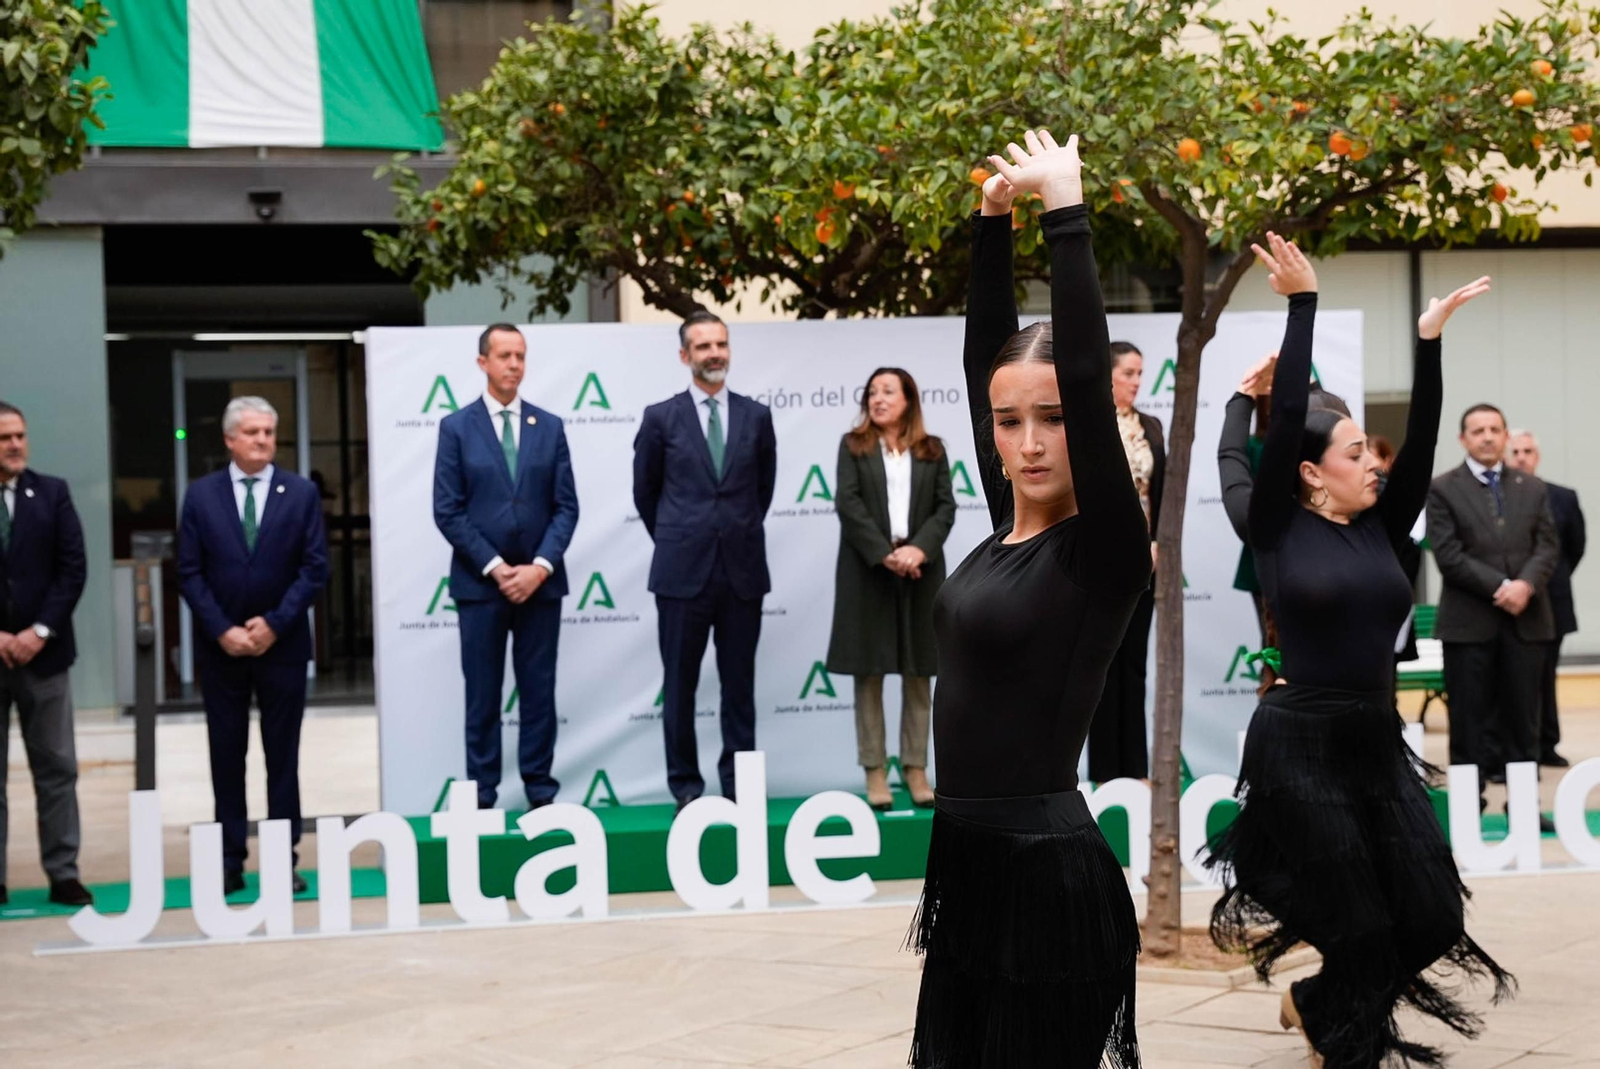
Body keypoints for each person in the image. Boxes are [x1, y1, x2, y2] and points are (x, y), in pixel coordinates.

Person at [1207, 234, 1507, 1068]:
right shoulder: (1274, 528)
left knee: (1430, 916)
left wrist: (1429, 339)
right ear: (1309, 473)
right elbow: (1240, 458)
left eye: (1370, 451)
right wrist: (1298, 309)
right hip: (1299, 739)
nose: (1372, 462)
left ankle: (1316, 999)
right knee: (1363, 924)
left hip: (1374, 741)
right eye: (1352, 453)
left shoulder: (1380, 520)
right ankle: (1345, 1046)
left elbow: (1421, 438)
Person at [907, 130, 1151, 1068]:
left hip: (1047, 878)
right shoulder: (999, 528)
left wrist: (1067, 212)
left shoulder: (1103, 551)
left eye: (1050, 421)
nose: (1029, 441)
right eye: (1010, 422)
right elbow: (985, 363)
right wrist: (991, 222)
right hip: (966, 865)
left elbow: (1086, 384)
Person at [178, 396, 328, 895]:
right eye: (252, 432)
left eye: (268, 432)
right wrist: (224, 629)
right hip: (222, 651)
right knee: (227, 754)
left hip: (281, 648)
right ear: (229, 440)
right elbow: (189, 571)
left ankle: (284, 861)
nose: (263, 440)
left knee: (282, 756)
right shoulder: (200, 497)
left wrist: (274, 624)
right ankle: (229, 859)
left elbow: (314, 569)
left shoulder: (301, 493)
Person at [634, 311, 777, 811]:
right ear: (684, 356)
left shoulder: (756, 417)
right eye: (703, 346)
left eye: (721, 343)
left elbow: (763, 490)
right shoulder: (659, 418)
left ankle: (739, 788)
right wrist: (680, 537)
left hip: (741, 573)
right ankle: (686, 789)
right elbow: (645, 493)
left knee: (739, 687)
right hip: (680, 574)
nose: (714, 353)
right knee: (680, 688)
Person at [433, 323, 579, 811]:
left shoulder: (550, 426)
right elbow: (447, 510)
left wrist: (539, 567)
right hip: (481, 587)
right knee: (483, 697)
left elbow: (566, 507)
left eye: (520, 355)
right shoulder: (456, 428)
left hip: (541, 585)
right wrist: (496, 568)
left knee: (539, 693)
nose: (514, 364)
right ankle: (482, 797)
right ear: (483, 363)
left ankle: (540, 792)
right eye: (504, 356)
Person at [825, 367, 957, 810]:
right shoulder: (853, 446)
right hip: (871, 571)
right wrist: (886, 554)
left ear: (908, 399)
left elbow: (945, 507)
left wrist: (917, 551)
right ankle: (875, 770)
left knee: (920, 672)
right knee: (870, 673)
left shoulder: (932, 448)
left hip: (920, 569)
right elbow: (849, 503)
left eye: (888, 391)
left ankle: (916, 768)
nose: (877, 398)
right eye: (872, 392)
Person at [1428, 405, 1560, 794]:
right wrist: (1502, 587)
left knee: (1525, 725)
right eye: (1477, 430)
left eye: (1494, 429)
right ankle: (1471, 810)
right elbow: (1448, 554)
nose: (1487, 436)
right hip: (1469, 625)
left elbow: (1548, 546)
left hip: (1527, 621)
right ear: (1462, 439)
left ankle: (1524, 811)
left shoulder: (1533, 487)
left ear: (1505, 437)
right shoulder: (1442, 488)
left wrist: (1525, 586)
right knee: (1468, 725)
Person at [0, 401, 92, 908]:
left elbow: (72, 569)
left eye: (20, 435)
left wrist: (38, 631)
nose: (15, 445)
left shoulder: (52, 493)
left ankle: (63, 872)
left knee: (57, 768)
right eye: (4, 438)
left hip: (46, 656)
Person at [1087, 342, 1164, 783]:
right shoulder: (1089, 424)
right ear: (1109, 376)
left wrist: (1158, 543)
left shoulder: (1150, 425)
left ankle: (1135, 769)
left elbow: (1162, 491)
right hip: (1098, 560)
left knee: (1134, 663)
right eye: (1129, 373)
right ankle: (1102, 771)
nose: (1137, 381)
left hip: (1145, 560)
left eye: (1140, 373)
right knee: (1101, 664)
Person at [1506, 430, 1585, 768]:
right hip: (1506, 601)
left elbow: (1574, 547)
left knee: (1545, 676)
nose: (1522, 457)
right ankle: (1508, 748)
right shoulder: (1496, 496)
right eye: (1516, 452)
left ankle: (1546, 744)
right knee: (1509, 678)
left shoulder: (1563, 497)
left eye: (1527, 451)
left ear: (1537, 456)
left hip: (1552, 600)